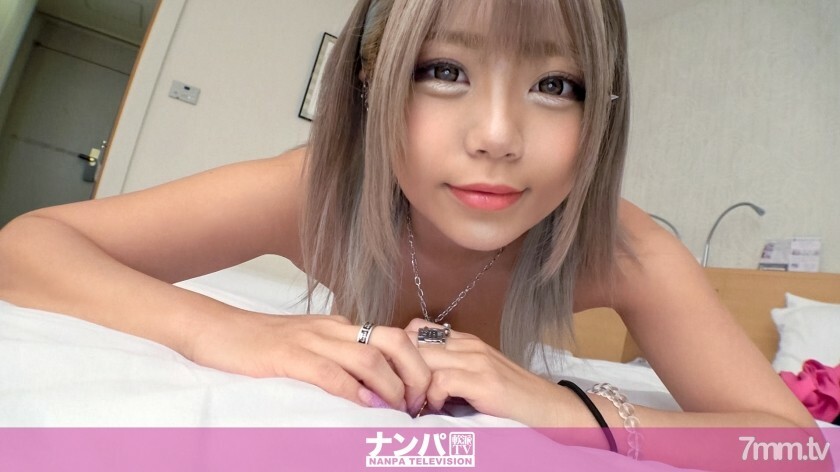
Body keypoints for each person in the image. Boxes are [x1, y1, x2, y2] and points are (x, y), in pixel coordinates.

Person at [0, 0, 818, 466]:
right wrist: (231, 331)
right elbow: (28, 246)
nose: (496, 136)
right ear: (371, 81)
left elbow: (793, 445)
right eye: (444, 71)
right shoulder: (315, 191)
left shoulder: (619, 249)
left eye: (555, 84)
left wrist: (571, 413)